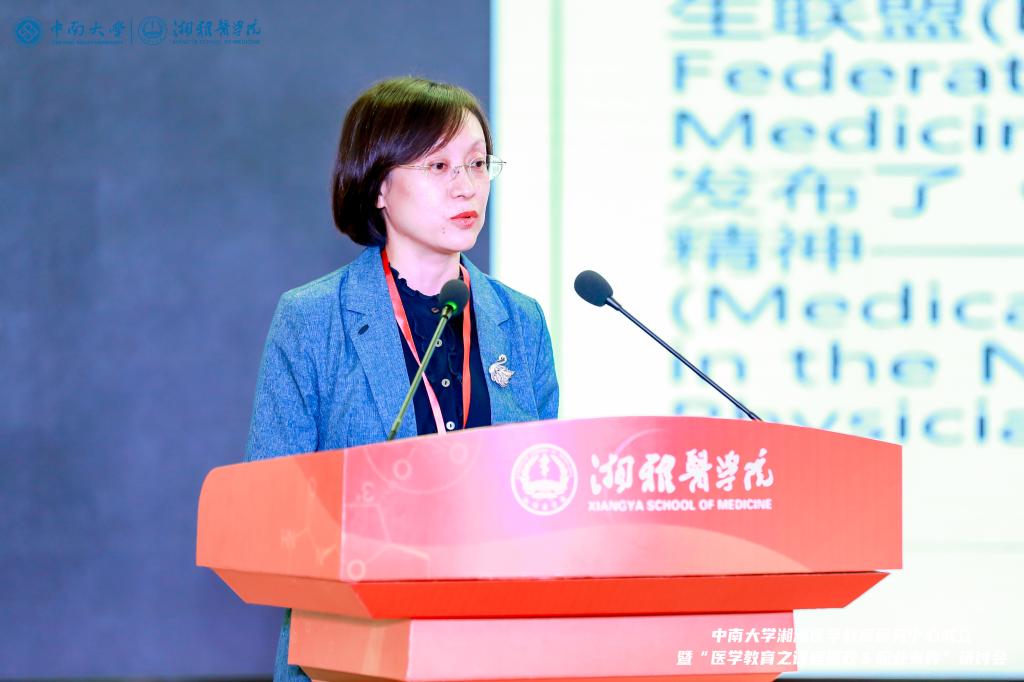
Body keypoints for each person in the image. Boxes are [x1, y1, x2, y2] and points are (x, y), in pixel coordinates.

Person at [242, 76, 559, 681]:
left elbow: (543, 497)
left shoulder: (519, 321)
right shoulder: (314, 318)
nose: (466, 185)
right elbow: (270, 507)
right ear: (380, 185)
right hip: (353, 654)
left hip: (496, 652)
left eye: (477, 163)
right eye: (438, 166)